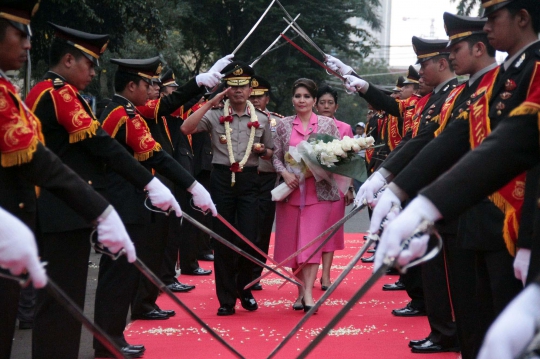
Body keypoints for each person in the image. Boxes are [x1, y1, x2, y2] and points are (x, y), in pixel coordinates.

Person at [372, 1, 540, 357]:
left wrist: (529, 241)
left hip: (513, 218)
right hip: (484, 217)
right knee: (477, 320)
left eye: (494, 18)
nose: (488, 27)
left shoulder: (530, 70)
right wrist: (406, 193)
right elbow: (454, 136)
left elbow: (514, 144)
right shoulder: (508, 76)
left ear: (522, 18)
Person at [0, 6, 137, 358]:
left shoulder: (54, 93)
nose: (28, 45)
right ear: (67, 61)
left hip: (61, 211)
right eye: (21, 33)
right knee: (58, 313)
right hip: (56, 212)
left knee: (62, 311)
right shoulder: (54, 92)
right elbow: (93, 149)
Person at [94, 56, 221, 357]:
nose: (153, 88)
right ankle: (107, 342)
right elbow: (155, 155)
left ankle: (112, 339)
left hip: (132, 203)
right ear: (131, 85)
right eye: (148, 83)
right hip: (122, 204)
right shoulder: (122, 114)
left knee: (124, 275)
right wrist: (193, 185)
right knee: (116, 277)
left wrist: (189, 186)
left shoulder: (126, 111)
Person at [181, 61, 274, 316]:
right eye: (232, 85)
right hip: (221, 180)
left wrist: (262, 151)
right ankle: (225, 299)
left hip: (249, 181)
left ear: (250, 88)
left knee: (248, 239)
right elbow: (186, 128)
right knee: (223, 241)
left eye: (242, 86)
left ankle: (244, 290)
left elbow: (271, 153)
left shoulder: (263, 119)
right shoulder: (214, 114)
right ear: (227, 89)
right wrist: (211, 102)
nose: (238, 91)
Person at [271, 78, 340, 312]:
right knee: (295, 247)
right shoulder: (283, 125)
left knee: (310, 244)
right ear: (293, 99)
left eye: (306, 97)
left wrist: (313, 172)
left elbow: (336, 156)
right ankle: (300, 292)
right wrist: (285, 174)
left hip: (318, 194)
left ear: (314, 100)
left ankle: (309, 294)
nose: (302, 100)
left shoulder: (327, 125)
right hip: (290, 192)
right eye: (298, 96)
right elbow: (276, 157)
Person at [315, 85, 354, 291]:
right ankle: (308, 273)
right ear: (316, 104)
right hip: (311, 183)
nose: (326, 106)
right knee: (311, 231)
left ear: (336, 106)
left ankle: (326, 275)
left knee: (330, 231)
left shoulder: (345, 128)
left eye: (330, 103)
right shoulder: (308, 125)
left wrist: (349, 187)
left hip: (336, 186)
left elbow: (350, 161)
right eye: (322, 102)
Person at [248, 75, 283, 291]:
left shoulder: (277, 122)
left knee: (262, 229)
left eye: (259, 97)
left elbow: (281, 153)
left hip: (267, 180)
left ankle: (254, 273)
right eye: (252, 97)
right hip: (243, 177)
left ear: (267, 99)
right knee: (242, 227)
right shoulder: (233, 119)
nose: (255, 101)